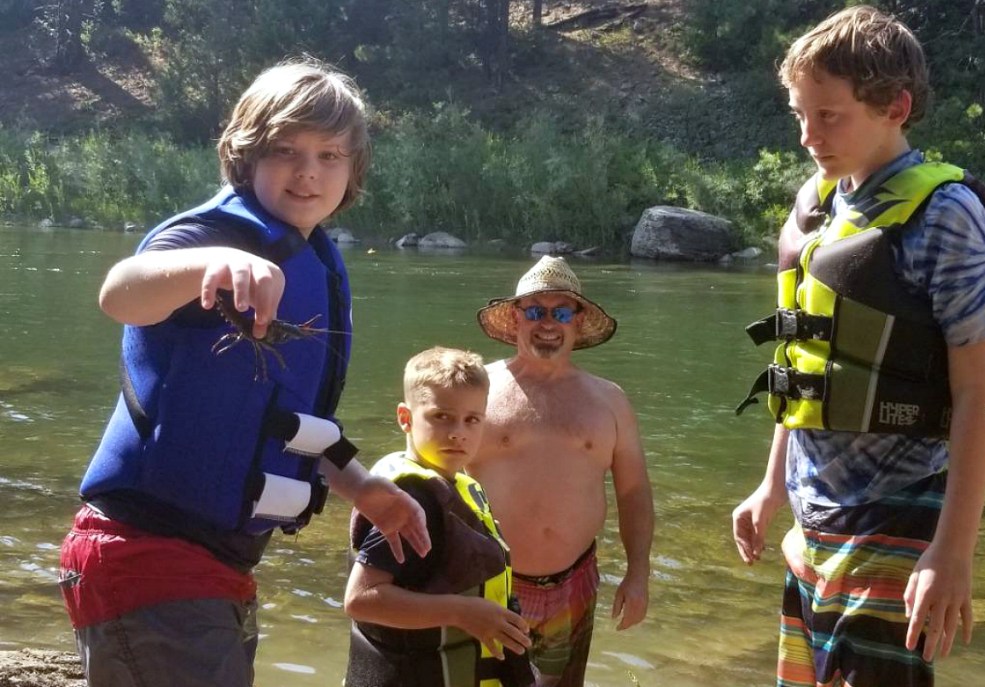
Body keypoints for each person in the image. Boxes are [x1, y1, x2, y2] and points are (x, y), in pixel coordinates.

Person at [57, 57, 430, 687]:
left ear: (353, 168)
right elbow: (120, 294)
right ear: (245, 156)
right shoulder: (210, 236)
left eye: (331, 154)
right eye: (286, 149)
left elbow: (285, 422)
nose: (309, 170)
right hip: (145, 553)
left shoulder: (311, 259)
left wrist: (364, 488)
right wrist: (212, 262)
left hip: (213, 566)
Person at [732, 6, 985, 686]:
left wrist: (953, 551)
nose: (807, 135)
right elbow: (801, 363)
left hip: (899, 510)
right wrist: (770, 485)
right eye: (799, 114)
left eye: (829, 115)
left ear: (896, 106)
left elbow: (978, 393)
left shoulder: (947, 218)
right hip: (811, 511)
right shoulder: (816, 207)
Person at [470, 256, 654, 687]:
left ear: (578, 319)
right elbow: (431, 475)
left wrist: (638, 573)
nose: (547, 322)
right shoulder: (478, 388)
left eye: (561, 311)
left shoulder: (610, 401)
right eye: (534, 310)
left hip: (574, 584)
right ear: (515, 318)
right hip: (487, 584)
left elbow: (633, 492)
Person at [344, 346, 534, 687]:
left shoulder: (460, 485)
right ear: (405, 417)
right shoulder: (414, 501)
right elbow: (361, 599)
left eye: (471, 419)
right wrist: (463, 613)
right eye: (441, 416)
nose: (458, 432)